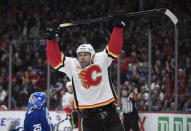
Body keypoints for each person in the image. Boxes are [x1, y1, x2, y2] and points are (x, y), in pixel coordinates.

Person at [45, 13, 126, 131]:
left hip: (109, 113)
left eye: (85, 55)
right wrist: (51, 39)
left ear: (92, 55)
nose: (82, 58)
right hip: (89, 117)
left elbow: (114, 48)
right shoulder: (72, 64)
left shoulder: (101, 58)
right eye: (80, 55)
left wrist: (118, 27)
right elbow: (54, 60)